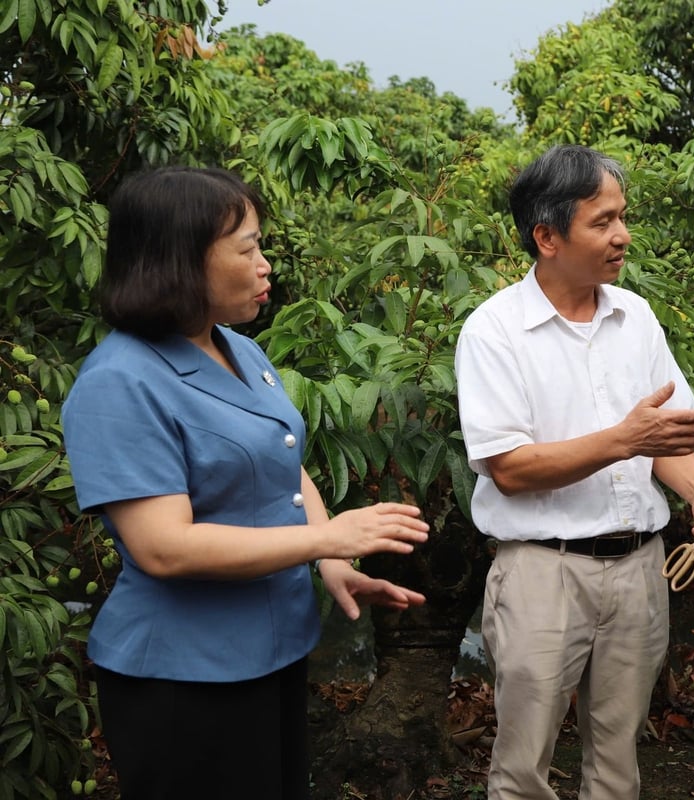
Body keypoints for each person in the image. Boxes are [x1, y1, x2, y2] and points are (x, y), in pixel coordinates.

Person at [62, 166, 430, 800]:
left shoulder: (237, 348)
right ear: (181, 260)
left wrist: (333, 558)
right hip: (183, 677)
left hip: (270, 654)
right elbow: (164, 548)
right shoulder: (118, 382)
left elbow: (283, 461)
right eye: (248, 247)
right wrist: (323, 541)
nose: (265, 265)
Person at [454, 144, 694, 800]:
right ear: (547, 236)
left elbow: (664, 438)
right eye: (603, 221)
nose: (622, 235)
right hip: (541, 572)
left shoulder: (634, 316)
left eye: (623, 217)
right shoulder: (494, 332)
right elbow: (508, 467)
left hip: (638, 569)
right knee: (523, 768)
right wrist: (623, 441)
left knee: (617, 765)